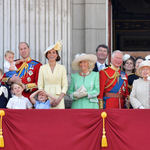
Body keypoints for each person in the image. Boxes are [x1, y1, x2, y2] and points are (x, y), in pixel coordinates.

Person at [38, 40, 68, 109]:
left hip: (59, 97)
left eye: (54, 52)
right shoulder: (42, 68)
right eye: (49, 53)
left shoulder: (62, 68)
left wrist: (59, 99)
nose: (52, 55)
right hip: (46, 98)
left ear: (57, 55)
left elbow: (65, 85)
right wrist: (45, 98)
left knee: (59, 118)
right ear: (47, 55)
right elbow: (40, 85)